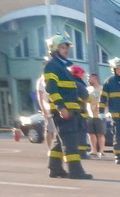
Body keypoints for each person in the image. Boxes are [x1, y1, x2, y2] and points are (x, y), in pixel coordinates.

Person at [42, 35, 91, 179]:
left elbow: (72, 88)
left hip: (71, 109)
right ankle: (76, 171)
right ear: (54, 49)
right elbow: (51, 88)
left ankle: (54, 168)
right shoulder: (52, 65)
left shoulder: (65, 66)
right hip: (64, 110)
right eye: (62, 47)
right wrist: (60, 107)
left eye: (66, 47)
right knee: (70, 142)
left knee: (60, 141)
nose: (66, 50)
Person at [69, 65, 90, 159]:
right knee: (81, 133)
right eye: (82, 74)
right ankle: (82, 152)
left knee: (71, 133)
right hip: (80, 113)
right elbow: (87, 98)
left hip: (69, 113)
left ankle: (72, 151)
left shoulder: (67, 83)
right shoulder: (80, 85)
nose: (83, 76)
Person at [86, 73, 106, 158]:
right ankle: (93, 150)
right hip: (89, 114)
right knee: (91, 133)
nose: (88, 80)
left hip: (99, 115)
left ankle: (101, 151)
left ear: (95, 78)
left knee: (100, 133)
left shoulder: (102, 89)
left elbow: (106, 100)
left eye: (89, 78)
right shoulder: (87, 89)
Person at [35, 75, 56, 147]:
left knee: (56, 131)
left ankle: (57, 147)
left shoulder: (57, 77)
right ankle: (50, 148)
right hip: (48, 109)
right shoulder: (41, 80)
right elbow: (39, 97)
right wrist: (43, 109)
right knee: (49, 130)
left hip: (58, 108)